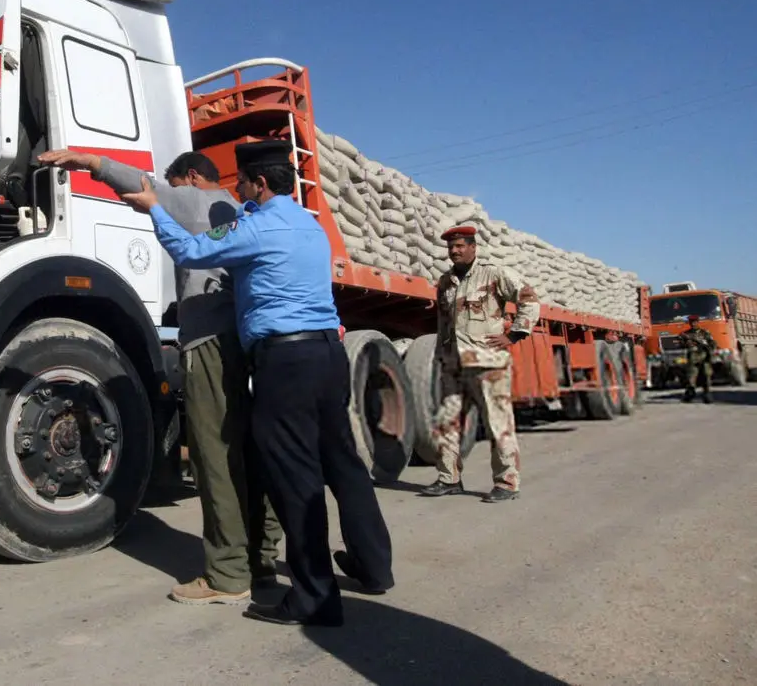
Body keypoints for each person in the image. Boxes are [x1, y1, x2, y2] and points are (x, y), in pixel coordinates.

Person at [119, 139, 394, 628]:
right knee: (343, 463)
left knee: (294, 476)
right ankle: (374, 568)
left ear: (259, 183)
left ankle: (314, 597)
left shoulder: (257, 227)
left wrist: (156, 209)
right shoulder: (311, 226)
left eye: (242, 181)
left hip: (285, 360)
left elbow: (191, 249)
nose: (236, 190)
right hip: (328, 354)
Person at [37, 147, 283, 605]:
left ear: (190, 177)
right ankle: (261, 560)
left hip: (209, 344)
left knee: (214, 458)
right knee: (252, 453)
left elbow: (140, 185)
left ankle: (228, 574)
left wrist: (87, 162)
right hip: (248, 340)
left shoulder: (193, 203)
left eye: (176, 181)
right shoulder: (239, 207)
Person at [420, 226, 540, 504]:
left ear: (474, 247)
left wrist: (514, 335)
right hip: (453, 365)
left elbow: (529, 299)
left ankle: (507, 483)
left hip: (487, 363)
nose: (455, 251)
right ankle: (448, 478)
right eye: (451, 247)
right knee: (445, 423)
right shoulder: (445, 282)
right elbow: (443, 324)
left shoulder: (493, 274)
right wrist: (441, 356)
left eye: (461, 246)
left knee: (498, 424)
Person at [678, 315, 717, 404]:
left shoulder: (705, 333)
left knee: (706, 377)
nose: (693, 324)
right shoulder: (685, 334)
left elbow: (713, 344)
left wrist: (708, 347)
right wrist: (686, 343)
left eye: (695, 322)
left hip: (704, 358)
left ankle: (707, 395)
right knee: (691, 378)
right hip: (692, 358)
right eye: (691, 322)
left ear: (698, 322)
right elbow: (679, 344)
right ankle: (690, 394)